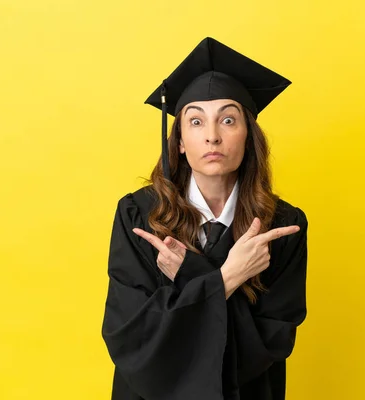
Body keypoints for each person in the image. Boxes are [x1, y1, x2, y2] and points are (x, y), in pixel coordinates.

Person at [101, 37, 308, 400]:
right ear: (179, 140)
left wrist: (190, 280)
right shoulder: (138, 215)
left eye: (228, 120)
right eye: (196, 121)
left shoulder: (281, 225)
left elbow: (270, 344)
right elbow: (132, 338)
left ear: (249, 136)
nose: (212, 136)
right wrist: (228, 277)